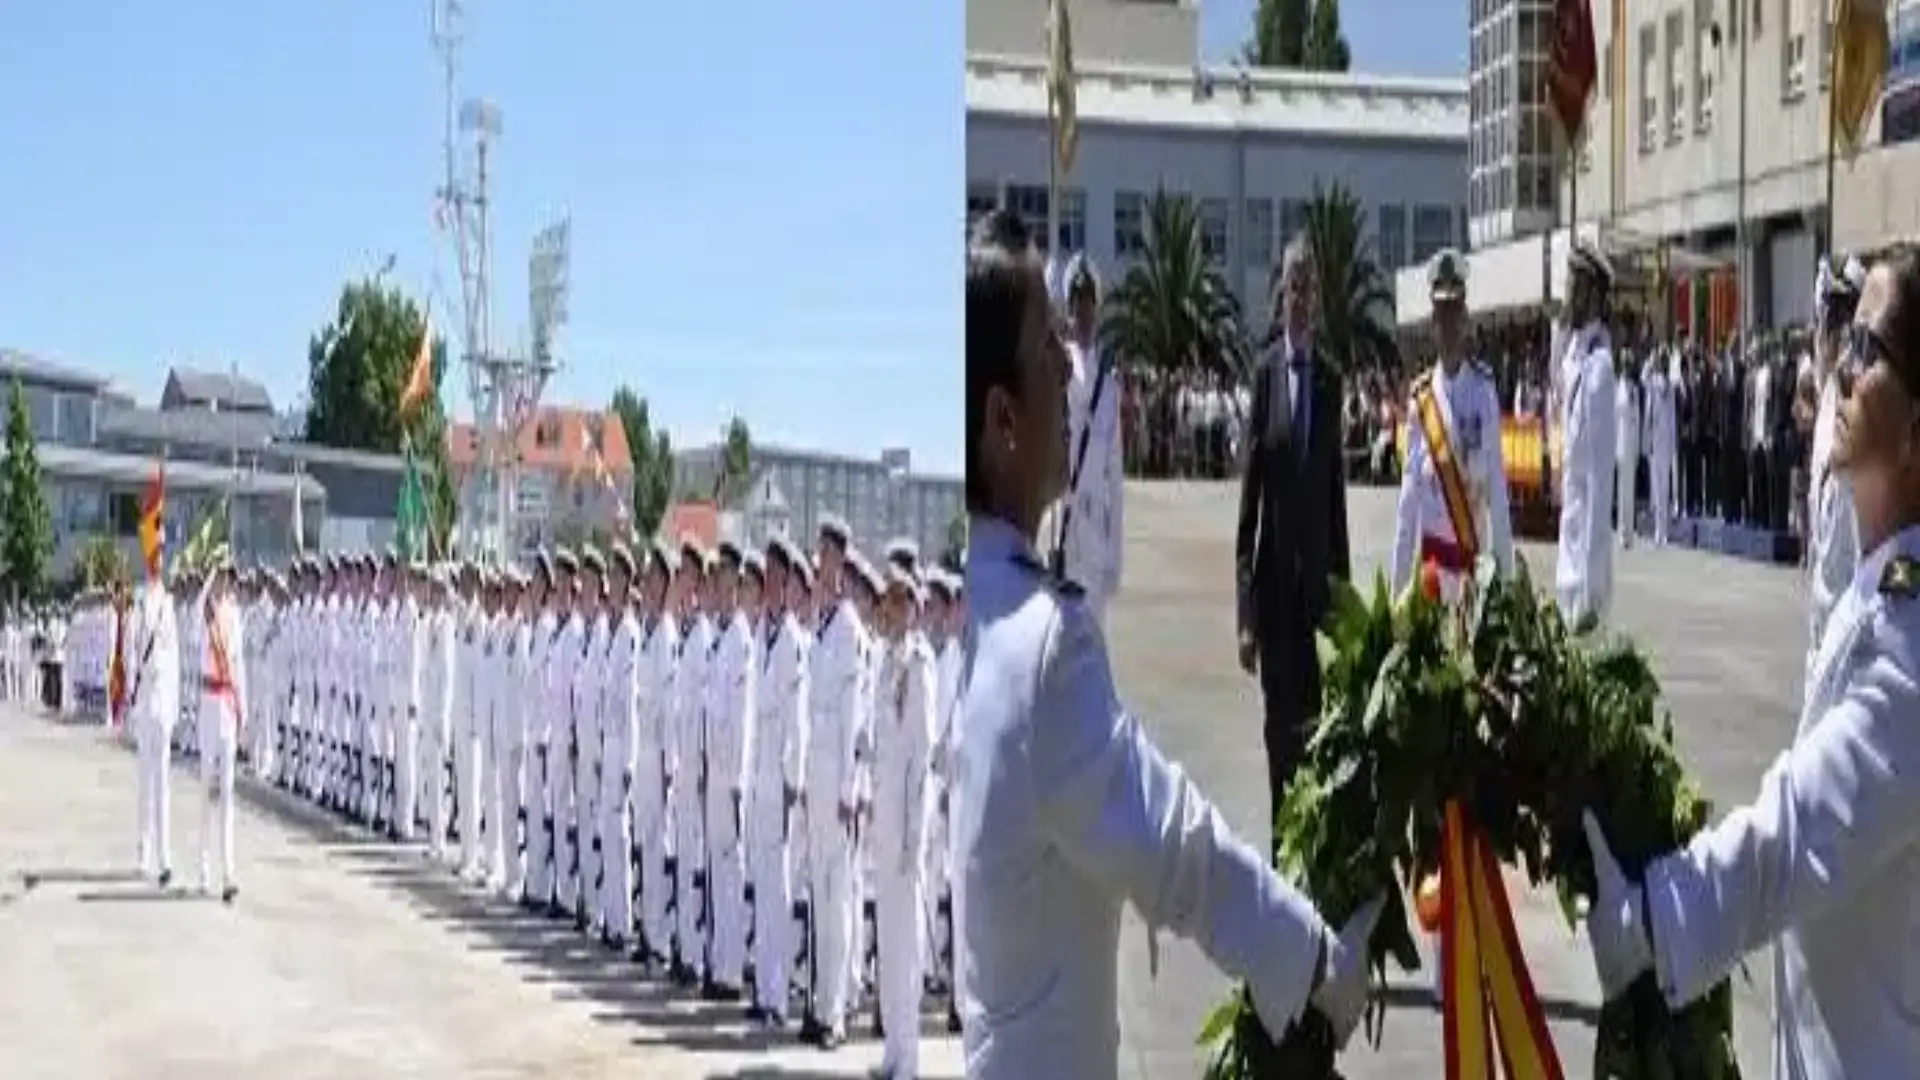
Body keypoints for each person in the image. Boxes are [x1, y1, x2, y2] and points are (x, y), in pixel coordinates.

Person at [961, 208, 1380, 1076]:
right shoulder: (1044, 648)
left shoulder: (970, 607)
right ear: (1004, 420)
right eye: (1048, 351)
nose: (1066, 373)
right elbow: (1175, 847)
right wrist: (1312, 963)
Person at [1580, 245, 1920, 1078]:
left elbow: (1799, 825)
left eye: (1869, 350)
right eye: (1847, 340)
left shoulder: (1913, 648)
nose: (1842, 364)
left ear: (1916, 430)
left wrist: (1659, 917)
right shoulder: (1878, 595)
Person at [1234, 231, 1353, 844]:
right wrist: (1245, 615)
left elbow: (1336, 503)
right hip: (1276, 603)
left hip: (1317, 609)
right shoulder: (1265, 376)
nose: (1301, 298)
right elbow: (1249, 509)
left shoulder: (1332, 381)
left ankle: (1310, 877)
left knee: (1318, 744)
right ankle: (1283, 867)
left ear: (1318, 297)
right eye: (1293, 286)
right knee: (1279, 746)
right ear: (1281, 295)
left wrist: (1347, 608)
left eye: (1309, 287)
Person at [1389, 248, 1515, 599]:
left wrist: (1507, 582)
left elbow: (1497, 494)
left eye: (1454, 313)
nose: (1447, 325)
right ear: (1432, 324)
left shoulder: (1483, 391)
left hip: (1472, 582)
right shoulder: (1420, 401)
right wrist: (1398, 591)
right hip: (1431, 582)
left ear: (1466, 320)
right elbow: (1407, 505)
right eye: (1440, 315)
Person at [1050, 252, 1125, 625]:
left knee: (1093, 643)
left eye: (1089, 303)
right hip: (1062, 524)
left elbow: (1115, 472)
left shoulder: (1109, 384)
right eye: (1077, 302)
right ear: (1069, 306)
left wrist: (1116, 551)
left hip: (1094, 529)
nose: (1083, 312)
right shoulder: (1055, 369)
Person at [1807, 254, 1868, 689]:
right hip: (1820, 627)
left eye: (1833, 321)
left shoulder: (1856, 407)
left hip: (1847, 634)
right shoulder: (1829, 399)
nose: (1825, 335)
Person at [1554, 241, 1619, 626]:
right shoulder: (1576, 358)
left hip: (1584, 570)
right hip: (1567, 549)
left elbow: (1599, 484)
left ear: (1593, 294)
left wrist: (1592, 585)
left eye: (1574, 285)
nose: (1567, 294)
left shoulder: (1599, 370)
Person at [128, 502, 180, 889]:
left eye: (161, 555)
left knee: (163, 783)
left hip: (163, 700)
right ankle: (143, 850)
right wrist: (131, 704)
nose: (157, 561)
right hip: (145, 699)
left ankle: (164, 855)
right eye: (154, 554)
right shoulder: (139, 602)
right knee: (145, 782)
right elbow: (131, 653)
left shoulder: (169, 604)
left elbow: (175, 659)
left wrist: (176, 707)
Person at [197, 557, 246, 903]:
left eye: (228, 577)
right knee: (207, 790)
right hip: (208, 703)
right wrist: (208, 576)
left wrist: (245, 709)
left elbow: (239, 664)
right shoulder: (204, 614)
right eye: (220, 576)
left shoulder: (235, 615)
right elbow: (200, 604)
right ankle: (203, 866)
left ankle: (228, 871)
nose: (223, 583)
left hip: (228, 703)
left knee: (228, 793)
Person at [1642, 347, 1678, 546]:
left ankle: (1664, 531)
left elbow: (1672, 417)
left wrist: (1673, 442)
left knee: (1664, 487)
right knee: (1655, 487)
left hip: (1665, 440)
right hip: (1654, 439)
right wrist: (1651, 358)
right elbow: (1642, 376)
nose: (1661, 365)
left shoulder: (1669, 386)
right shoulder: (1653, 383)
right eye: (1660, 361)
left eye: (1663, 361)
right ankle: (1658, 529)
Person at [1615, 354, 1642, 547]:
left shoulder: (1634, 389)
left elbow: (1638, 418)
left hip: (1631, 442)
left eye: (1629, 365)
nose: (1626, 369)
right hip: (1619, 442)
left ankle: (1629, 532)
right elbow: (1613, 417)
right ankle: (1621, 530)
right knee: (1621, 490)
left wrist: (1639, 445)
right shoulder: (1617, 388)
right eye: (1624, 365)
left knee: (1629, 490)